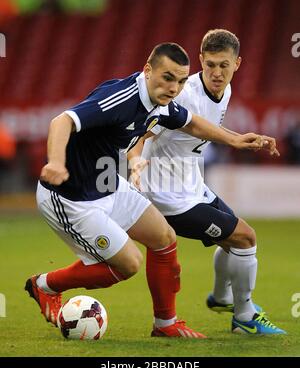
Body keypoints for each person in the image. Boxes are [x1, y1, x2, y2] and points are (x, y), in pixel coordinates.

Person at [25, 42, 270, 339]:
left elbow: (191, 123)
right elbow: (62, 120)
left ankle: (165, 324)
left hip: (108, 185)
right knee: (128, 265)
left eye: (181, 80)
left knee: (164, 238)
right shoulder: (120, 98)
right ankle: (45, 285)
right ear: (147, 70)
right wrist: (56, 162)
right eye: (167, 78)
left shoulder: (163, 101)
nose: (174, 87)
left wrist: (234, 140)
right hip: (70, 196)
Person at [129, 31, 286, 335]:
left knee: (234, 241)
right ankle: (244, 317)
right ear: (200, 59)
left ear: (237, 64)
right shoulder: (183, 93)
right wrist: (135, 162)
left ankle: (221, 298)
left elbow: (205, 129)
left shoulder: (223, 92)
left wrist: (243, 139)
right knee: (245, 238)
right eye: (210, 65)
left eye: (224, 66)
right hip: (166, 196)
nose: (216, 73)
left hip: (193, 187)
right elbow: (141, 134)